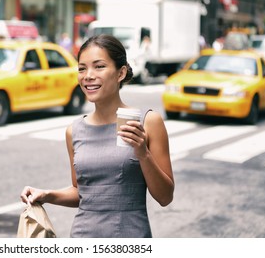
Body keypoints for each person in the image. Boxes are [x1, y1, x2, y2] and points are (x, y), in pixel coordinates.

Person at [20, 34, 174, 238]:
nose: (88, 76)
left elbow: (165, 197)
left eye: (99, 66)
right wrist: (47, 195)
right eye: (82, 68)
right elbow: (82, 193)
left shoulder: (148, 122)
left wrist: (142, 153)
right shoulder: (74, 130)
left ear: (121, 73)